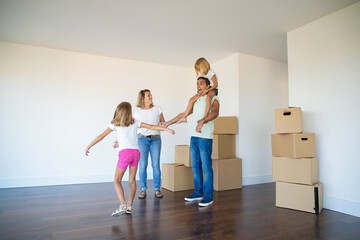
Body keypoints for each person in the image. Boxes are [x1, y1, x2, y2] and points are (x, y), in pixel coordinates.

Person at [85, 102, 174, 216]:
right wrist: (167, 130)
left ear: (118, 111)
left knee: (117, 180)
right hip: (136, 153)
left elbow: (101, 136)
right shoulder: (135, 122)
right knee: (132, 181)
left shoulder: (115, 124)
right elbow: (151, 127)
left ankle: (122, 204)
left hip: (125, 154)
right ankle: (130, 205)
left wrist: (89, 145)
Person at [166, 76, 220, 207]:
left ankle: (208, 196)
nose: (198, 86)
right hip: (194, 137)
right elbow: (183, 114)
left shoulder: (213, 97)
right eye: (197, 84)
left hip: (205, 137)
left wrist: (203, 120)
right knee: (196, 166)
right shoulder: (196, 100)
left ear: (208, 86)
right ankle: (198, 192)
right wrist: (168, 123)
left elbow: (216, 113)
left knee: (206, 167)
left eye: (201, 84)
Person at [165, 57, 218, 127]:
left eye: (199, 68)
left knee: (208, 98)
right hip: (205, 90)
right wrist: (200, 91)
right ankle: (183, 118)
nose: (198, 70)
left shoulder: (211, 72)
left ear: (203, 66)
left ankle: (205, 116)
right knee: (191, 100)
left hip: (212, 89)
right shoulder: (202, 75)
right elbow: (201, 85)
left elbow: (216, 84)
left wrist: (207, 90)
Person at [134, 89, 166, 199]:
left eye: (151, 95)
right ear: (142, 98)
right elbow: (133, 128)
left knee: (155, 165)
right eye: (148, 96)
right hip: (142, 140)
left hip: (156, 140)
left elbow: (162, 123)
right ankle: (143, 189)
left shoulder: (157, 109)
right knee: (142, 165)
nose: (151, 97)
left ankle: (157, 189)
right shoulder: (137, 113)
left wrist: (165, 124)